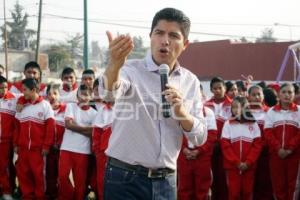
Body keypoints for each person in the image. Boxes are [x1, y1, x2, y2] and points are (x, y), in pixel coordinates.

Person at [98, 7, 207, 200]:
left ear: (185, 44)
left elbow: (199, 136)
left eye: (173, 35)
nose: (165, 41)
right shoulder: (130, 70)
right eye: (159, 33)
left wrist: (181, 112)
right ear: (150, 36)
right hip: (124, 179)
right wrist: (114, 64)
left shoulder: (190, 82)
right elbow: (108, 92)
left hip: (166, 181)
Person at [14, 78, 55, 200]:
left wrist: (46, 146)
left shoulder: (45, 105)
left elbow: (50, 128)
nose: (23, 93)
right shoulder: (21, 107)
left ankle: (40, 196)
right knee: (23, 174)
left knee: (38, 175)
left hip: (38, 150)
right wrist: (16, 144)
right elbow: (17, 127)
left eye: (25, 90)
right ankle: (28, 196)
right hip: (23, 149)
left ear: (34, 90)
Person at [58, 84, 97, 200]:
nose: (84, 98)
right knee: (63, 176)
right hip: (66, 148)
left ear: (91, 97)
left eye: (87, 95)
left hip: (83, 151)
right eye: (81, 94)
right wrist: (86, 128)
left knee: (80, 181)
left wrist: (76, 126)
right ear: (77, 96)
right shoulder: (71, 106)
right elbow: (68, 125)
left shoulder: (94, 113)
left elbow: (93, 133)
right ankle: (67, 197)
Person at [221, 96, 262, 200]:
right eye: (233, 107)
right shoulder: (228, 123)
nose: (235, 110)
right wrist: (236, 162)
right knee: (233, 193)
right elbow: (225, 146)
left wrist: (248, 162)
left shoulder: (253, 123)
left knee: (247, 193)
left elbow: (257, 146)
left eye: (238, 107)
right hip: (232, 167)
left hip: (249, 167)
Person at [264, 83, 300, 200]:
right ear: (279, 94)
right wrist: (278, 148)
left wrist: (290, 148)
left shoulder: (299, 111)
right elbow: (268, 133)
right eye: (284, 92)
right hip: (276, 155)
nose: (287, 95)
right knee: (278, 185)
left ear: (294, 95)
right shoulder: (271, 112)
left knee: (293, 185)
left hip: (294, 155)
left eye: (290, 92)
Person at [177, 103, 217, 200]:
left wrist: (199, 150)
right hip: (184, 156)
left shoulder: (208, 112)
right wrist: (183, 149)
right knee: (184, 189)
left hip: (202, 157)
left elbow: (212, 135)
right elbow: (174, 133)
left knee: (202, 189)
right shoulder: (178, 110)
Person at [205, 76, 231, 200]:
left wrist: (223, 144)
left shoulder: (232, 105)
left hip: (227, 148)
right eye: (214, 88)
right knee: (211, 177)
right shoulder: (205, 106)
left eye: (220, 88)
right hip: (210, 147)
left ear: (225, 88)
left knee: (225, 179)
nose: (217, 90)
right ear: (211, 90)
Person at [248, 85, 273, 200]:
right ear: (248, 97)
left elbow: (271, 133)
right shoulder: (244, 112)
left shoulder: (270, 112)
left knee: (265, 182)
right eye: (254, 94)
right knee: (250, 184)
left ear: (263, 96)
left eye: (259, 94)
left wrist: (261, 146)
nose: (257, 97)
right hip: (248, 154)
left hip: (264, 153)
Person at [45, 84, 66, 200]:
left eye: (55, 93)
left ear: (60, 95)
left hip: (62, 149)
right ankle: (51, 194)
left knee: (62, 174)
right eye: (49, 94)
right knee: (50, 173)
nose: (52, 96)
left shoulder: (67, 109)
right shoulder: (44, 109)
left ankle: (62, 195)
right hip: (49, 149)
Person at [0, 76, 17, 200]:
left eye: (6, 87)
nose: (4, 90)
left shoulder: (14, 99)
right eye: (1, 88)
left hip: (7, 141)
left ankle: (8, 190)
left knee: (7, 167)